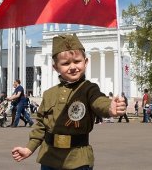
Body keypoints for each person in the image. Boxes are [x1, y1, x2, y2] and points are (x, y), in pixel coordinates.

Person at [11, 34, 126, 169]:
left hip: (78, 159)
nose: (72, 67)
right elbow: (41, 125)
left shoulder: (89, 89)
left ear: (86, 62)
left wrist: (110, 108)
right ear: (56, 68)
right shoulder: (49, 94)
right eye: (65, 63)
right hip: (49, 158)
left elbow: (98, 101)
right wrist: (29, 149)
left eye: (77, 61)